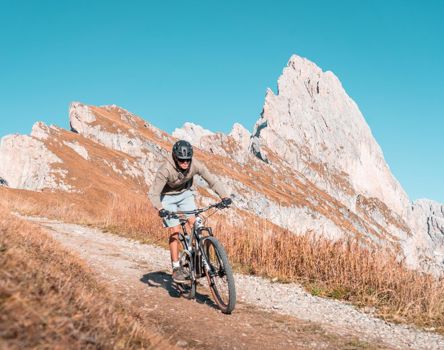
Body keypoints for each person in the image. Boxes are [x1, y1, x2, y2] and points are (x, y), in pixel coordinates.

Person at [148, 140, 232, 283]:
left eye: (187, 159)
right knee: (174, 230)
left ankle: (198, 258)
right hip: (167, 198)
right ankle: (176, 268)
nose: (185, 163)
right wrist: (161, 209)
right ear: (175, 157)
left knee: (195, 223)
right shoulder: (166, 169)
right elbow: (153, 194)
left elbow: (211, 180)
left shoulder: (195, 164)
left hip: (185, 194)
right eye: (182, 160)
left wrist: (224, 196)